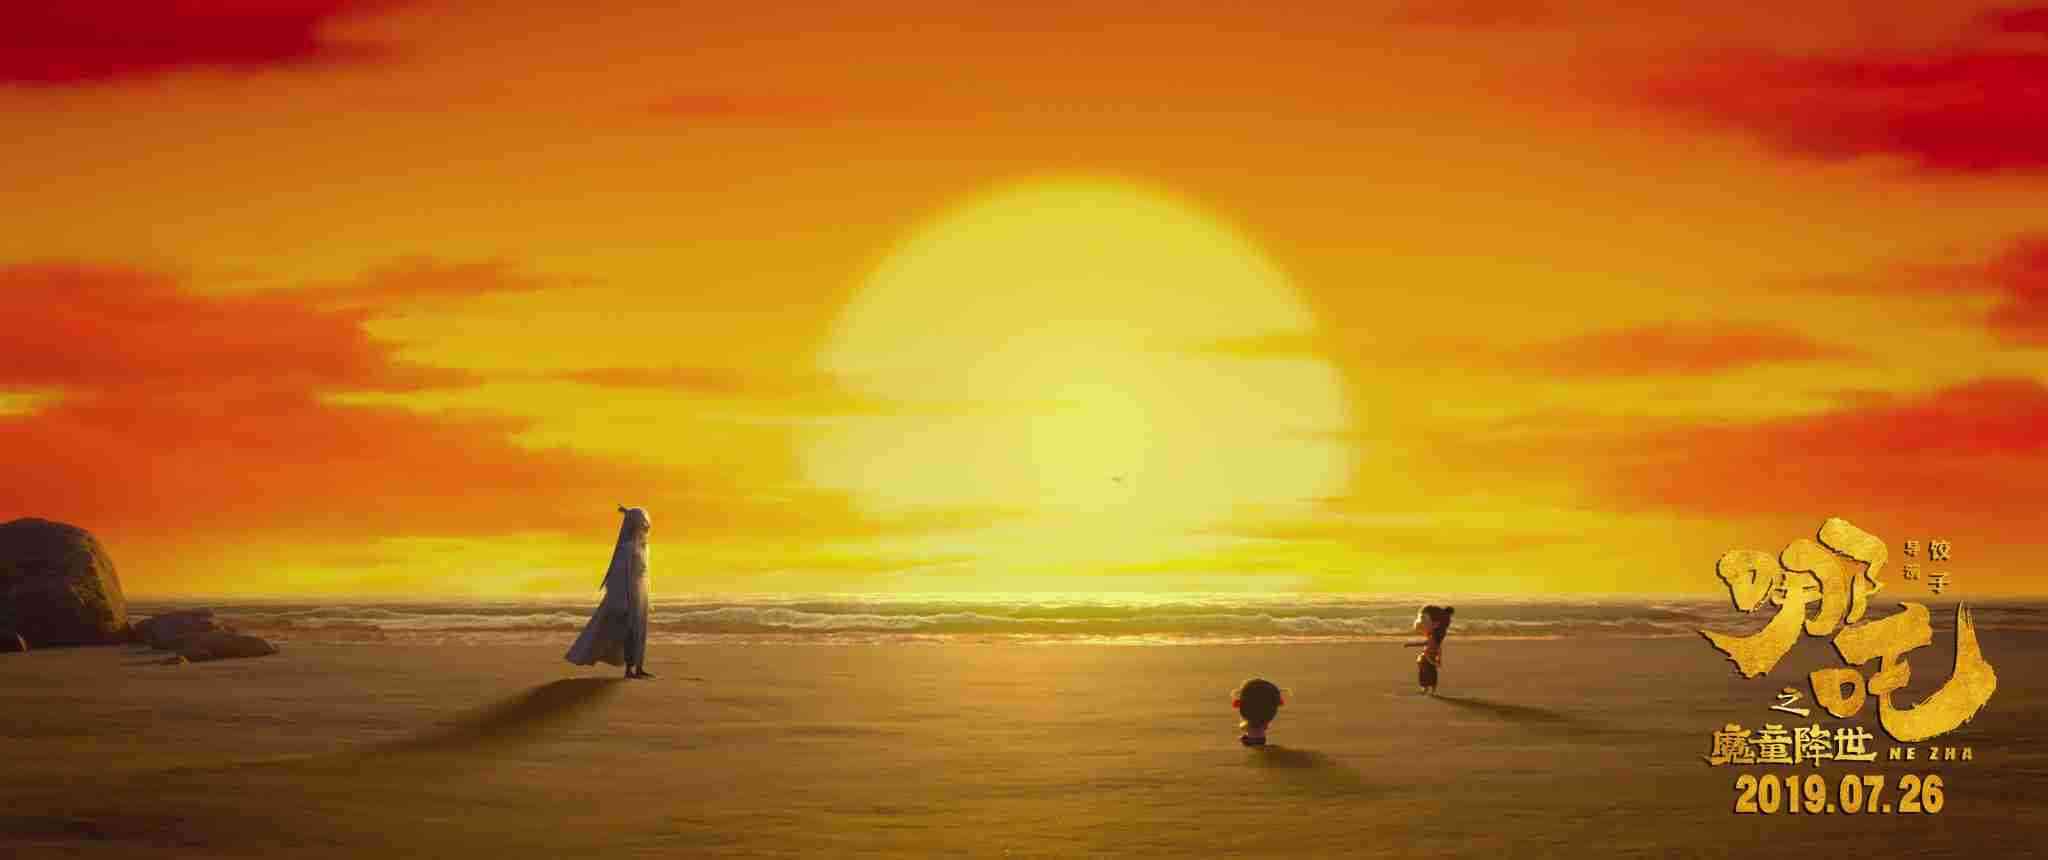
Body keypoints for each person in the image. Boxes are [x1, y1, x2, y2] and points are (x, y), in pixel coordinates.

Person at [566, 505, 654, 678]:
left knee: (641, 631)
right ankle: (629, 669)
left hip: (641, 595)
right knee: (630, 632)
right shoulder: (627, 548)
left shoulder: (644, 547)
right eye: (642, 524)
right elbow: (620, 576)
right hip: (629, 595)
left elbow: (645, 575)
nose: (645, 527)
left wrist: (647, 597)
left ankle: (639, 667)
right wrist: (622, 600)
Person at [1406, 605, 1455, 694]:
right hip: (1427, 656)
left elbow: (1436, 647)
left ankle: (1429, 689)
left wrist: (1438, 659)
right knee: (1426, 672)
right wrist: (1409, 644)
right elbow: (1430, 645)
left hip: (1429, 657)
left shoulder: (1435, 636)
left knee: (1428, 672)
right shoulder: (1436, 634)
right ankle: (1428, 689)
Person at [1232, 678, 1284, 747]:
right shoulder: (1266, 714)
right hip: (1262, 717)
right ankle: (1256, 738)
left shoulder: (1249, 714)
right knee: (1257, 725)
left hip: (1255, 719)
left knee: (1255, 725)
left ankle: (1253, 738)